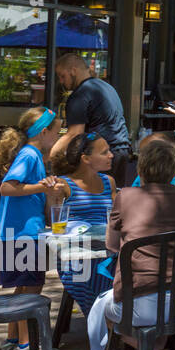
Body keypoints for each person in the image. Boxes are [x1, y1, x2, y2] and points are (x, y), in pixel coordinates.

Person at [86, 138, 175, 350]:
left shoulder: (125, 196)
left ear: (140, 168)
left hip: (143, 303)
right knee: (158, 303)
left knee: (104, 312)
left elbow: (112, 246)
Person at [0, 107, 66, 350]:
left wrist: (47, 192)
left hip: (14, 234)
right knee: (31, 289)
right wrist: (43, 186)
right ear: (44, 132)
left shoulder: (32, 155)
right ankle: (26, 346)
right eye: (57, 133)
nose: (58, 138)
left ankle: (12, 340)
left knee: (22, 287)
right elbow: (6, 187)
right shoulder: (30, 154)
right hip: (23, 235)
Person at [53, 133, 117, 320]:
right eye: (105, 152)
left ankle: (112, 328)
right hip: (75, 257)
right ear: (86, 158)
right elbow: (54, 224)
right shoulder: (63, 184)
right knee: (94, 276)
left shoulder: (109, 182)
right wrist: (52, 195)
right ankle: (111, 330)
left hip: (108, 253)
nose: (111, 155)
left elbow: (116, 217)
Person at [53, 53, 132, 187]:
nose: (61, 81)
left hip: (102, 153)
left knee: (97, 196)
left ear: (73, 70)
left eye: (62, 76)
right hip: (122, 151)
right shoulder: (107, 87)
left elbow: (74, 133)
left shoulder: (80, 95)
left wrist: (52, 155)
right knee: (113, 197)